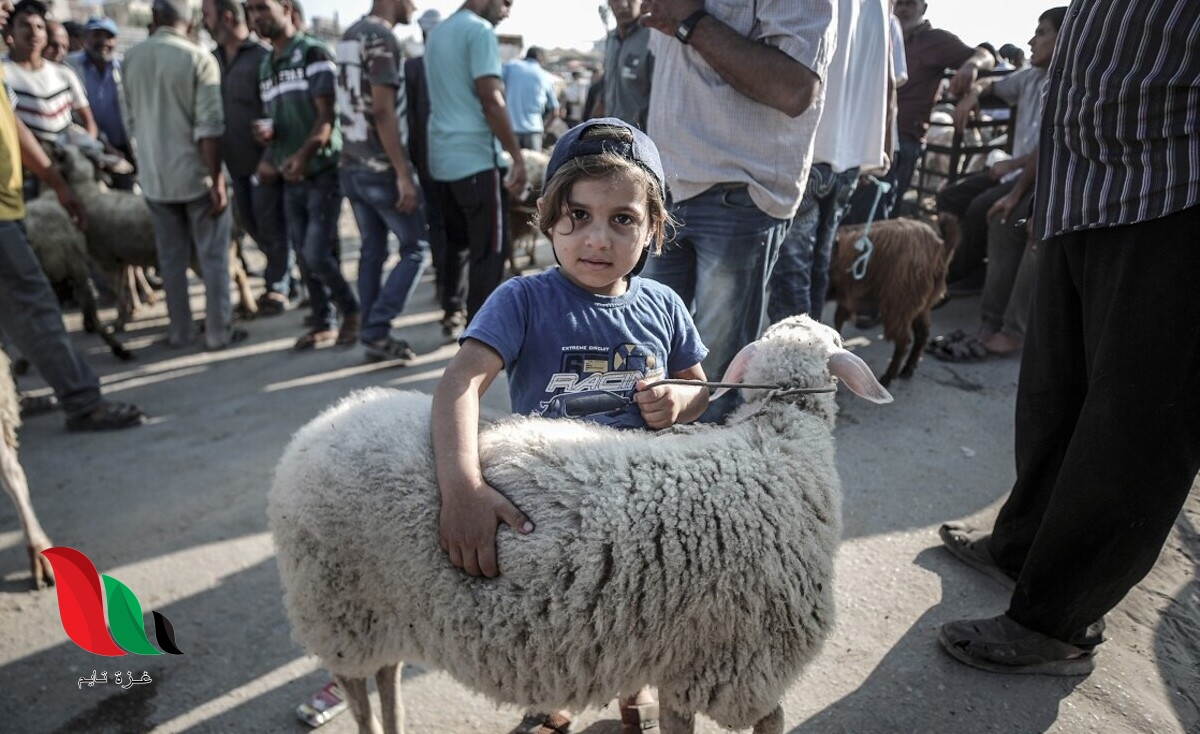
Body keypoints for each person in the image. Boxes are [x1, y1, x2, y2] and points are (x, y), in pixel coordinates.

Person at [938, 0, 1200, 675]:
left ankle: (1059, 620)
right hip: (1084, 190)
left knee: (1135, 425)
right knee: (1053, 397)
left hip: (1174, 196)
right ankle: (1022, 546)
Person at [432, 118, 707, 734]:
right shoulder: (521, 300)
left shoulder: (664, 305)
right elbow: (459, 385)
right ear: (547, 217)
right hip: (554, 515)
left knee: (641, 610)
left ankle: (635, 687)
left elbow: (698, 386)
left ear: (654, 227)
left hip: (639, 512)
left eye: (622, 219)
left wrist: (678, 400)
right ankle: (551, 698)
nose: (597, 239)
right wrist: (463, 489)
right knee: (556, 620)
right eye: (578, 216)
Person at [637, 0, 834, 422]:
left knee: (712, 381)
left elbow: (794, 88)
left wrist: (691, 20)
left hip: (737, 194)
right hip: (667, 186)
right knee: (645, 355)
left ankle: (704, 461)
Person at [0, 0, 144, 431]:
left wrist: (57, 181)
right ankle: (83, 401)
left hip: (16, 202)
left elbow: (12, 127)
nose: (6, 10)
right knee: (34, 304)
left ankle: (13, 397)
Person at [124, 0, 242, 351]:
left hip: (155, 180)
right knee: (213, 258)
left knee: (171, 261)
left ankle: (180, 332)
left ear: (154, 18)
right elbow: (210, 126)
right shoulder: (198, 58)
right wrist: (216, 179)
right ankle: (219, 332)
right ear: (189, 23)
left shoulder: (131, 59)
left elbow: (130, 120)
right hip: (196, 177)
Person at [767, 0, 892, 324]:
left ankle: (794, 351)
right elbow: (891, 83)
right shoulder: (881, 6)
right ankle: (813, 344)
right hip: (849, 155)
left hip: (808, 146)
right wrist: (876, 148)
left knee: (793, 270)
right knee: (819, 263)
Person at [248, 0, 361, 350]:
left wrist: (303, 155)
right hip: (290, 175)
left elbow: (327, 116)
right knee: (303, 253)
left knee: (316, 252)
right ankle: (324, 321)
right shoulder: (266, 65)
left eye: (262, 7)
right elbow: (277, 122)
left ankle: (352, 311)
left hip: (322, 171)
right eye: (250, 9)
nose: (256, 16)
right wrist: (268, 141)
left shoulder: (313, 52)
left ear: (285, 8)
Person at [935, 6, 1064, 295]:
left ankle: (968, 274)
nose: (1031, 41)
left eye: (1041, 33)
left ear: (1064, 38)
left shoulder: (1069, 85)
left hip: (1035, 179)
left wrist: (1013, 164)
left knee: (981, 207)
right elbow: (992, 85)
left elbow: (1054, 144)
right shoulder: (1030, 77)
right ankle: (952, 264)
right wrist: (973, 93)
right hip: (1011, 171)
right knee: (949, 196)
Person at [423, 0, 526, 340]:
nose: (507, 11)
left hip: (443, 158)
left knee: (456, 243)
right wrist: (517, 156)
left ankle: (452, 309)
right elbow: (491, 99)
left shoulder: (438, 33)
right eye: (506, 2)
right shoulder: (479, 31)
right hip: (477, 159)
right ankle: (482, 338)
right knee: (490, 250)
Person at [335, 0, 429, 363]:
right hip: (380, 166)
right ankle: (376, 328)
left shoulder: (351, 34)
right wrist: (403, 173)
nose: (415, 7)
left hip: (352, 163)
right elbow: (382, 109)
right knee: (415, 247)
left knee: (372, 248)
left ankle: (371, 332)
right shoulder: (381, 37)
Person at [202, 0, 292, 316]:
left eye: (207, 15)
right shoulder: (211, 59)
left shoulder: (263, 56)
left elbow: (278, 111)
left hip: (264, 162)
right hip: (233, 163)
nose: (204, 22)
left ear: (226, 18)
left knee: (271, 225)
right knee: (252, 225)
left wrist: (270, 155)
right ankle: (286, 277)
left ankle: (278, 286)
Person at [882, 0, 995, 217]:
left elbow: (985, 56)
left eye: (910, 3)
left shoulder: (935, 41)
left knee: (882, 209)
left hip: (903, 138)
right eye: (899, 3)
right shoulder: (884, 32)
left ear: (923, 8)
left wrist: (971, 66)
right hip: (870, 133)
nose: (903, 9)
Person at [2, 0, 98, 150]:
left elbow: (88, 120)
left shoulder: (64, 74)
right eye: (25, 25)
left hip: (68, 156)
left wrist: (85, 150)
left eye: (39, 27)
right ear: (10, 31)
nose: (33, 32)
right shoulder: (3, 74)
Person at [67, 16, 136, 189]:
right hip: (87, 144)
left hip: (123, 148)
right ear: (86, 38)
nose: (104, 42)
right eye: (97, 35)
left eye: (109, 36)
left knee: (126, 192)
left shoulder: (123, 66)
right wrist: (102, 143)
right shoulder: (71, 66)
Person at [404, 8, 446, 292]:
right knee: (450, 221)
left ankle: (444, 279)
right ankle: (449, 282)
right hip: (452, 158)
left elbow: (409, 119)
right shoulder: (452, 64)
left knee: (437, 220)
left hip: (429, 159)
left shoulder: (413, 67)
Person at [601, 0, 652, 130]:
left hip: (641, 136)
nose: (623, 5)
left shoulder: (652, 39)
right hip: (611, 133)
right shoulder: (611, 40)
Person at [501, 46, 558, 151]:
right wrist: (545, 129)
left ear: (526, 56)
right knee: (534, 161)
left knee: (509, 161)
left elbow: (494, 81)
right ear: (541, 60)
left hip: (511, 129)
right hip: (534, 131)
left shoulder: (510, 67)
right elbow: (555, 111)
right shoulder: (545, 76)